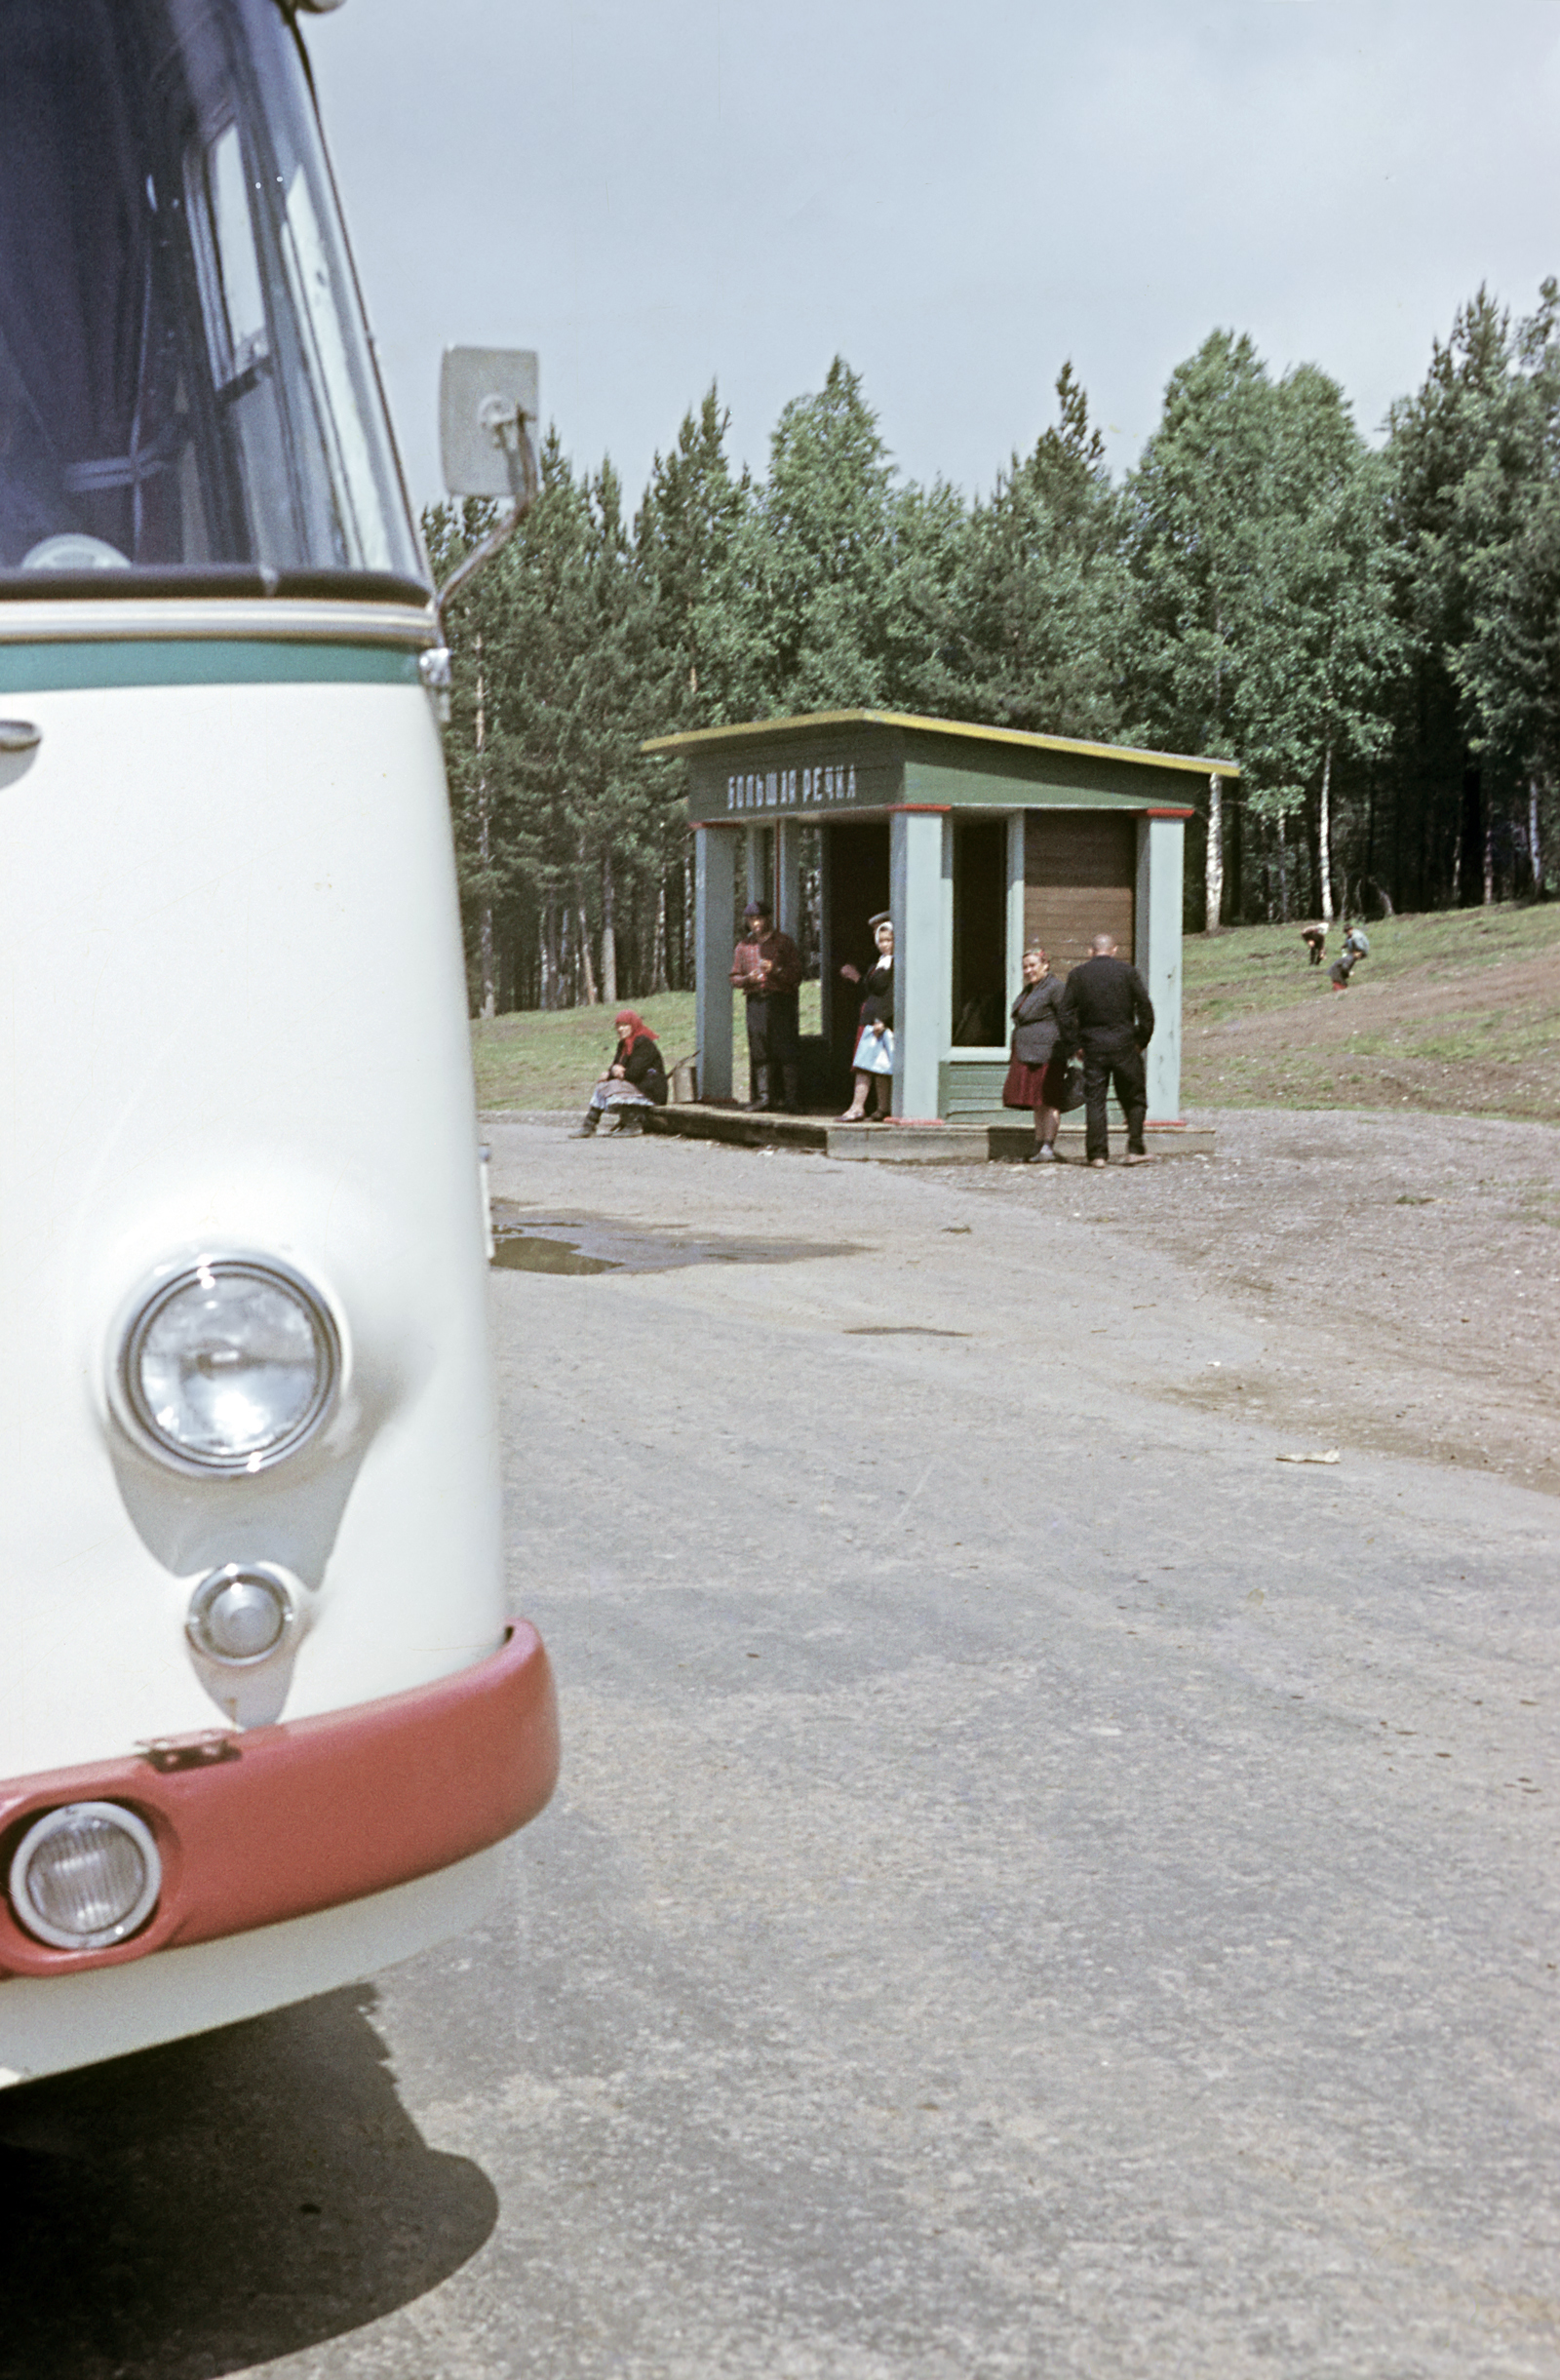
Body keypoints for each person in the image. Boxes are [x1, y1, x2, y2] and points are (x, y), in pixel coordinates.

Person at [1056, 932, 1155, 1168]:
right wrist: (1141, 1039)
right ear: (1115, 950)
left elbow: (1064, 1014)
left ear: (1091, 951)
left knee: (1095, 1100)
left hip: (1093, 1046)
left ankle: (1097, 1155)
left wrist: (1075, 1045)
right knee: (1134, 1097)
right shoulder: (1127, 973)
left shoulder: (1078, 975)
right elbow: (1145, 1008)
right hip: (1125, 1045)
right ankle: (1134, 1148)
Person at [729, 898, 802, 1112]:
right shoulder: (744, 946)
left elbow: (797, 974)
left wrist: (776, 970)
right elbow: (733, 977)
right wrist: (747, 980)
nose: (756, 923)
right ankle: (763, 1098)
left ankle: (791, 1100)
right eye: (751, 919)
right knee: (759, 1048)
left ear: (768, 918)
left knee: (786, 1048)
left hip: (781, 1000)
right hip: (756, 1000)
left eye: (759, 918)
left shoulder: (784, 942)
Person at [1001, 946, 1071, 1163]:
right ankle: (1039, 1143)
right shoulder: (1031, 989)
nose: (1028, 970)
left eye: (1033, 965)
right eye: (1025, 967)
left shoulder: (1055, 988)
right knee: (1037, 1101)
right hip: (1028, 1052)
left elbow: (1067, 1018)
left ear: (1045, 965)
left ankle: (1048, 1146)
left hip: (1048, 1053)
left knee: (1049, 1100)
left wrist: (1071, 1046)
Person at [838, 913, 895, 1120]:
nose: (883, 944)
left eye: (888, 939)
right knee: (871, 1063)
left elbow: (891, 993)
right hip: (870, 1016)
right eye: (879, 939)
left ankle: (860, 1107)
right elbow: (871, 989)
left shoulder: (896, 964)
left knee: (869, 1064)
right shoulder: (879, 962)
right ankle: (878, 1108)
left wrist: (884, 1018)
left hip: (880, 1020)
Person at [576, 1008, 668, 1135]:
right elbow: (617, 1066)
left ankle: (632, 1124)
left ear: (633, 1025)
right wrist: (610, 1073)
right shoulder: (624, 1045)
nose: (620, 1029)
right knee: (602, 1085)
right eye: (618, 1026)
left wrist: (616, 1072)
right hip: (635, 1087)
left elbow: (633, 1074)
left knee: (614, 1086)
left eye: (625, 1025)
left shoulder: (644, 1043)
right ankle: (589, 1125)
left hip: (650, 1091)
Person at [1330, 921, 1370, 991]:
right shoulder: (1350, 936)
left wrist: (1356, 954)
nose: (1347, 932)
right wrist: (1344, 946)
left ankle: (1346, 975)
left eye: (1348, 931)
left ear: (1351, 929)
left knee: (1345, 965)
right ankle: (1343, 978)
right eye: (1346, 931)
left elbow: (1361, 948)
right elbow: (1348, 942)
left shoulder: (1356, 936)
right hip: (1354, 952)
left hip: (1361, 952)